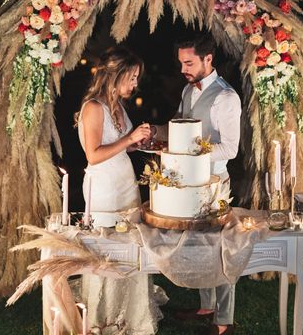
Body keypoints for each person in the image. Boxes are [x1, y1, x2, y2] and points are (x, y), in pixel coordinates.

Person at [151, 34, 241, 335]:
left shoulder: (226, 98)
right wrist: (154, 132)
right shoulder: (189, 90)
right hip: (190, 185)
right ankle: (207, 305)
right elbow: (179, 126)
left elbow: (230, 149)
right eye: (181, 63)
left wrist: (191, 152)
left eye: (188, 63)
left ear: (208, 59)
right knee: (200, 247)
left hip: (215, 185)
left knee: (221, 248)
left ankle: (224, 321)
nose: (182, 69)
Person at [76, 46, 165, 334]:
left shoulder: (118, 107)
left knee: (130, 248)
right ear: (117, 75)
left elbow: (125, 144)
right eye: (133, 77)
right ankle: (102, 318)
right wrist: (129, 139)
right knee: (108, 250)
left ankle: (130, 316)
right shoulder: (93, 107)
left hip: (125, 185)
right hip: (104, 189)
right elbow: (94, 155)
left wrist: (143, 141)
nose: (135, 83)